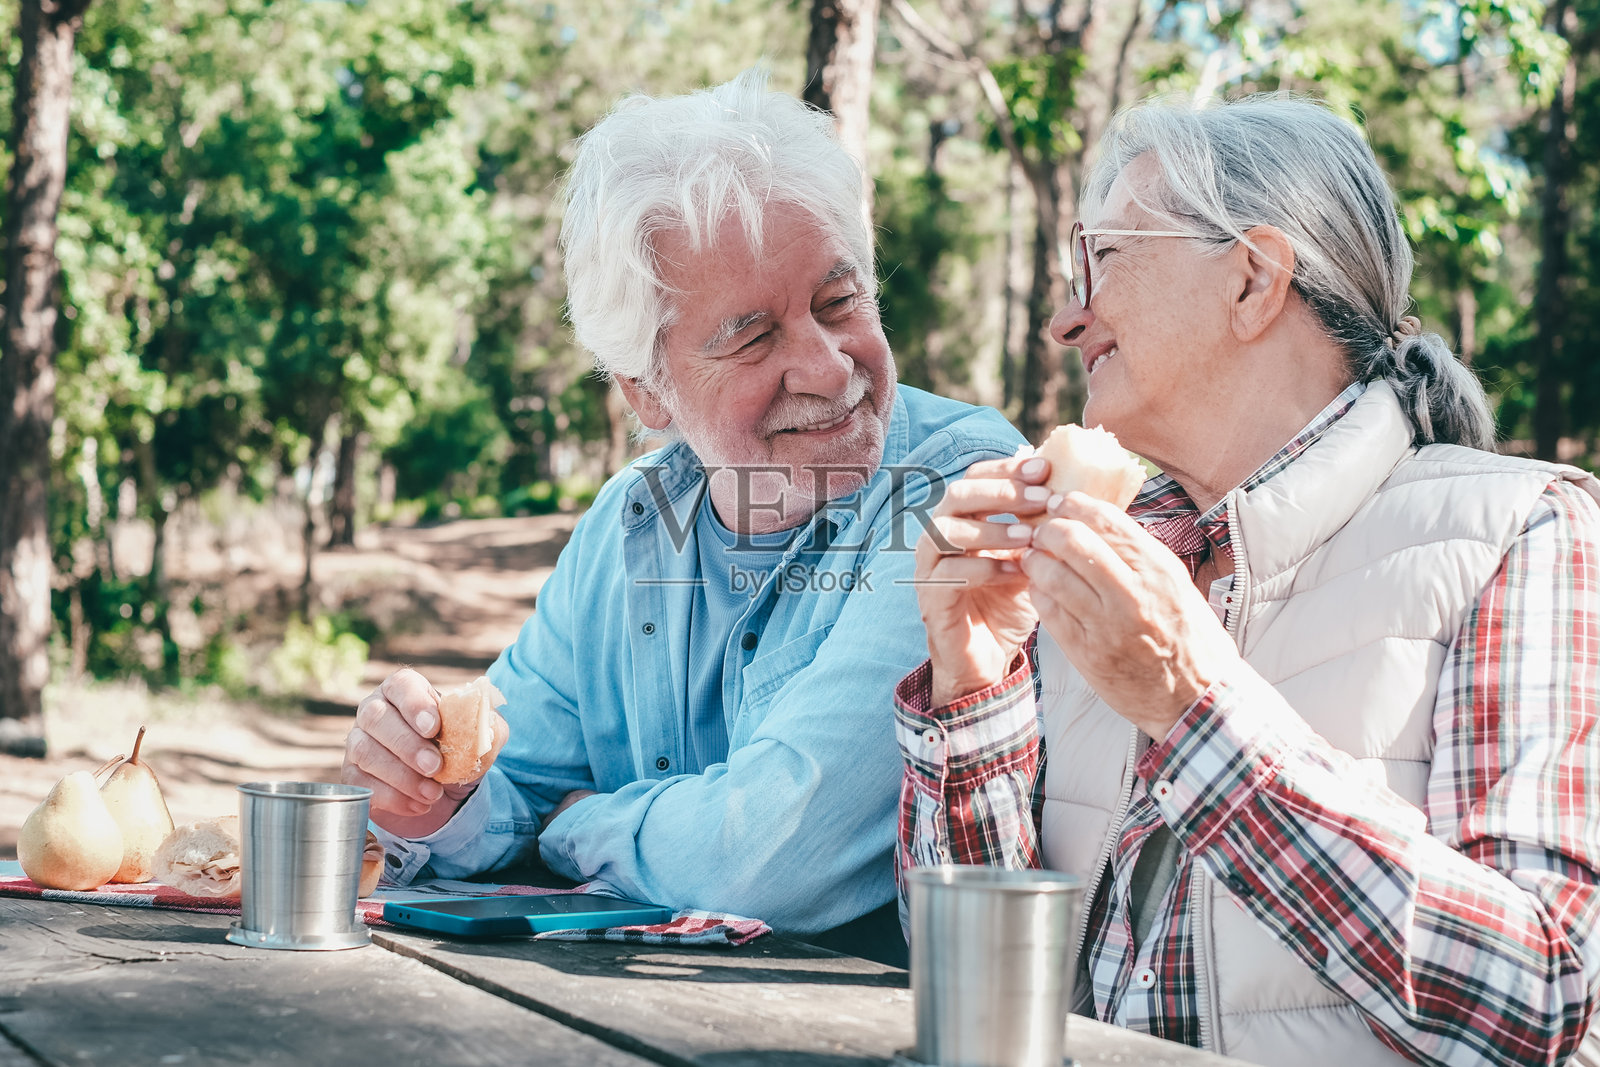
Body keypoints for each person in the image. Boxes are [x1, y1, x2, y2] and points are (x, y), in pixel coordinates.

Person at [898, 93, 1600, 1065]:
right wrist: (972, 686)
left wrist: (1194, 705)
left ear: (1253, 279)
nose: (1064, 318)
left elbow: (1539, 1004)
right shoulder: (1094, 565)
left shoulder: (1521, 533)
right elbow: (976, 999)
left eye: (1099, 258)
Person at [339, 69, 1023, 965]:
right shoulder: (634, 518)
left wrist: (576, 829)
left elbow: (773, 860)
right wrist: (429, 792)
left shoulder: (960, 489)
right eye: (753, 338)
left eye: (838, 302)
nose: (827, 366)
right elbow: (508, 779)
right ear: (646, 388)